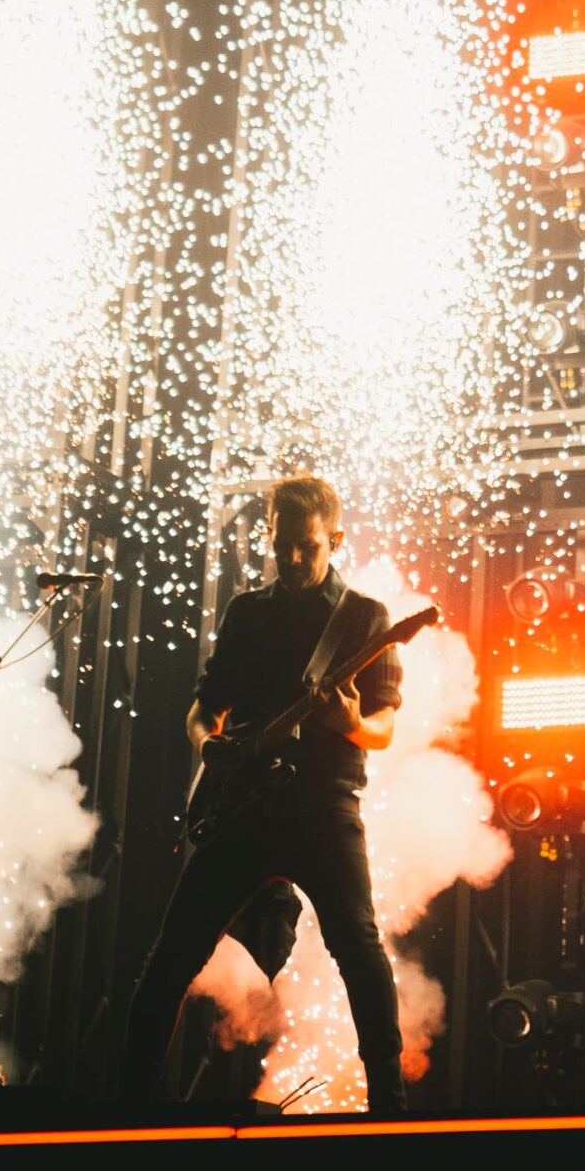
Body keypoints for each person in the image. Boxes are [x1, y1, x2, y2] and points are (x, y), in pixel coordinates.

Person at [118, 473, 408, 1116]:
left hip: (323, 801)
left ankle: (390, 1104)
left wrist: (351, 722)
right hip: (244, 804)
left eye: (307, 547)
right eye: (283, 547)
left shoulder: (366, 618)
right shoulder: (246, 612)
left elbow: (384, 727)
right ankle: (125, 1109)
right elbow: (203, 709)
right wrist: (206, 745)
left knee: (357, 946)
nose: (294, 561)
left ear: (334, 539)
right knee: (170, 956)